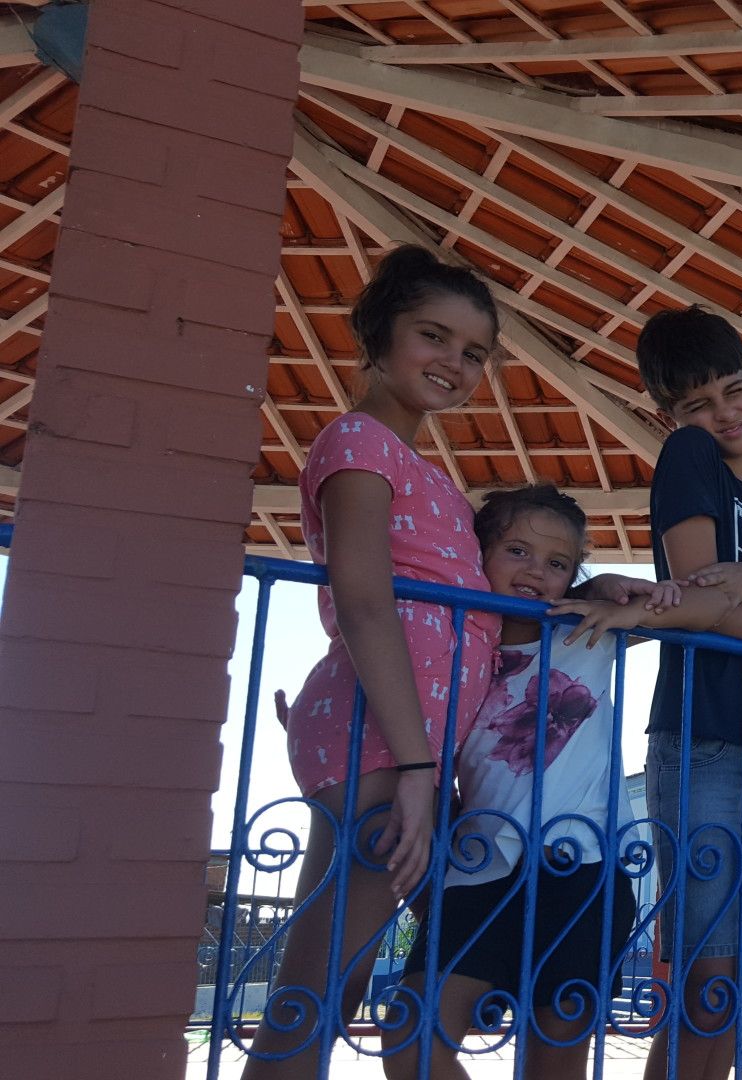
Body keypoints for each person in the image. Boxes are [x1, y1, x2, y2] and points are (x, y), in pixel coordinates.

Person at [555, 305, 742, 1080]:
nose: (725, 414)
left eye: (734, 391)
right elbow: (704, 608)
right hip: (705, 741)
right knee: (709, 974)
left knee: (730, 978)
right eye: (697, 405)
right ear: (669, 417)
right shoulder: (689, 458)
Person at [380, 484, 742, 1079]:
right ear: (478, 553)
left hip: (582, 877)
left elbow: (704, 609)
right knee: (409, 1040)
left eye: (556, 564)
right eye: (517, 552)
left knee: (553, 1064)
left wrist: (608, 591)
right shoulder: (452, 646)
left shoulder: (586, 630)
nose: (536, 572)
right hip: (478, 873)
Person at [244, 245, 505, 1078]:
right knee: (319, 986)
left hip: (399, 743)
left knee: (335, 982)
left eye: (474, 353)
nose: (455, 365)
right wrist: (422, 767)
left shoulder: (417, 466)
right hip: (384, 743)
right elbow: (363, 600)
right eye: (434, 335)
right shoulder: (358, 439)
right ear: (378, 335)